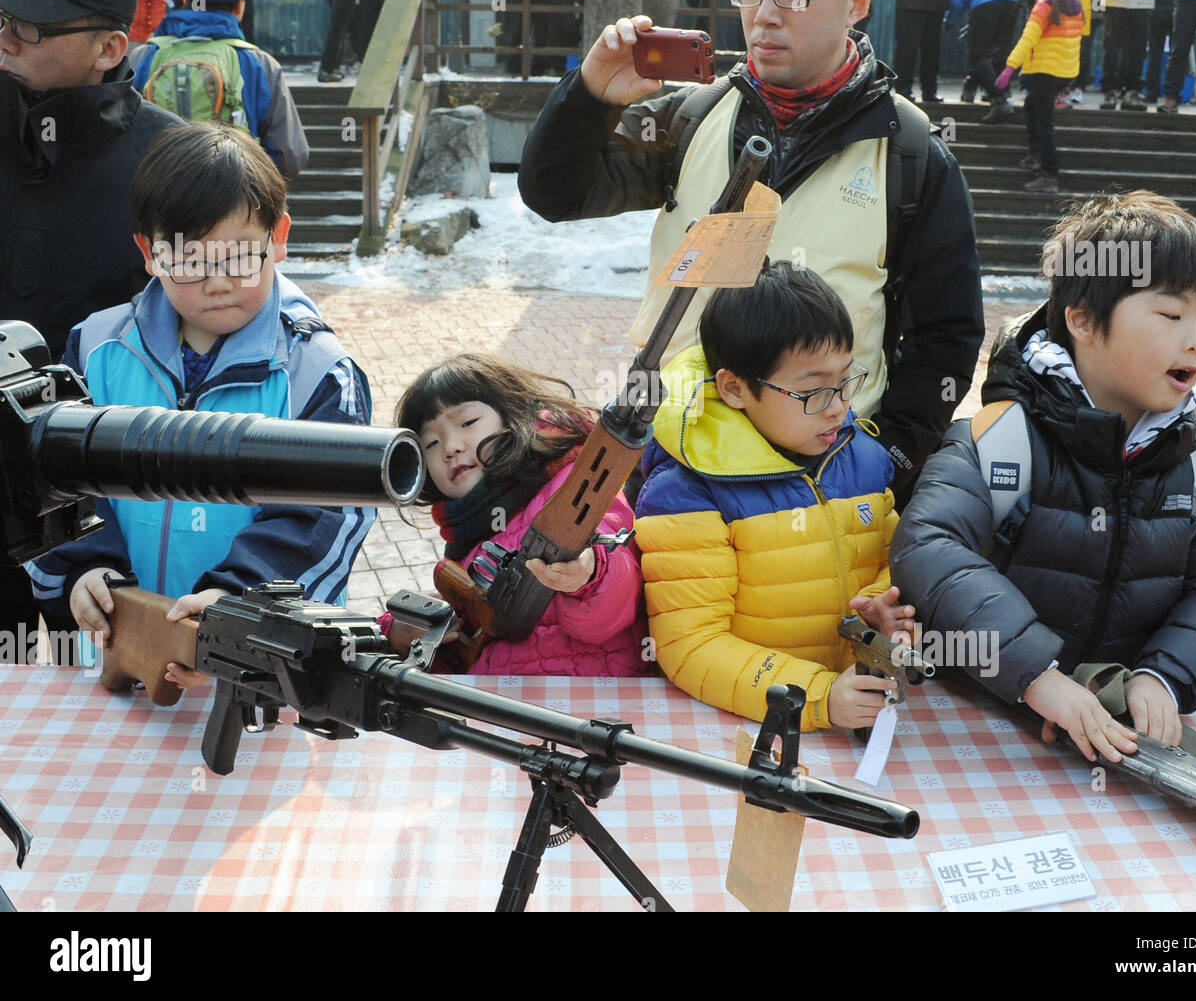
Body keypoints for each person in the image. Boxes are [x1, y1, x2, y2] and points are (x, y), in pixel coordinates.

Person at [518, 0, 983, 506]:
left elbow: (946, 338)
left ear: (857, 2)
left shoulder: (913, 154)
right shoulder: (691, 119)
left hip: (825, 483)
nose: (765, 13)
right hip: (671, 466)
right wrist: (591, 96)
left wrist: (888, 459)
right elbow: (556, 192)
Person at [892, 190, 1196, 763]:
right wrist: (1037, 674)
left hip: (1122, 737)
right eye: (1170, 315)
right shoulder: (997, 442)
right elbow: (929, 549)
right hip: (981, 725)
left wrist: (1161, 678)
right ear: (1084, 320)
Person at [26, 124, 376, 681]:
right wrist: (86, 571)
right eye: (190, 261)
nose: (217, 284)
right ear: (148, 251)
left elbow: (325, 517)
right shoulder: (95, 349)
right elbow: (58, 483)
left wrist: (237, 603)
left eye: (239, 259)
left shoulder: (317, 374)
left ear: (278, 236)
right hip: (122, 650)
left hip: (261, 663)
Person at [634, 262, 915, 731]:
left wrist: (880, 622)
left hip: (852, 712)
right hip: (736, 728)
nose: (840, 406)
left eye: (847, 379)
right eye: (814, 391)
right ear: (735, 389)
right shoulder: (688, 492)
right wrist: (817, 698)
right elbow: (691, 647)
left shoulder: (861, 457)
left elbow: (889, 563)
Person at [0, 0, 181, 643]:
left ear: (111, 48)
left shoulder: (175, 163)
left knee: (119, 733)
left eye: (30, 25)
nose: (5, 34)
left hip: (115, 519)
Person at [388, 354, 646, 676]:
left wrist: (590, 573)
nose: (450, 447)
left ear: (512, 417)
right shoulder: (466, 535)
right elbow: (462, 652)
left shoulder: (574, 483)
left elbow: (610, 610)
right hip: (496, 712)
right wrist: (401, 632)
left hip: (588, 705)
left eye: (467, 423)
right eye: (432, 442)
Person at [132, 0, 309, 180]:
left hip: (155, 205)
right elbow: (291, 157)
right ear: (239, 5)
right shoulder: (260, 64)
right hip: (234, 205)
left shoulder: (142, 57)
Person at [996, 0, 1083, 195]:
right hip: (1064, 71)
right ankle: (1035, 154)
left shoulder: (1046, 4)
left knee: (1045, 123)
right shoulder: (1077, 2)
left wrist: (1009, 67)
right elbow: (1077, 39)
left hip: (1044, 70)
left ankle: (1049, 174)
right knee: (1031, 105)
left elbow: (1028, 38)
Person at [950, 0, 1022, 121]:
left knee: (978, 54)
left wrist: (949, 21)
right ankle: (980, 87)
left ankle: (999, 101)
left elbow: (957, 3)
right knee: (998, 53)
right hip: (1012, 2)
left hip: (985, 5)